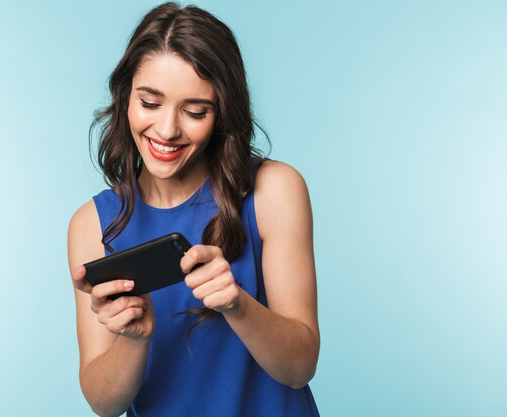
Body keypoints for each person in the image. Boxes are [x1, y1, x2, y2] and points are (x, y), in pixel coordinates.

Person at [67, 2, 320, 416]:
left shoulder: (274, 190)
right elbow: (103, 402)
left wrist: (236, 304)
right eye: (149, 104)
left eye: (195, 111)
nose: (167, 130)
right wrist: (133, 338)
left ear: (222, 113)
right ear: (125, 97)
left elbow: (299, 367)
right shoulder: (92, 224)